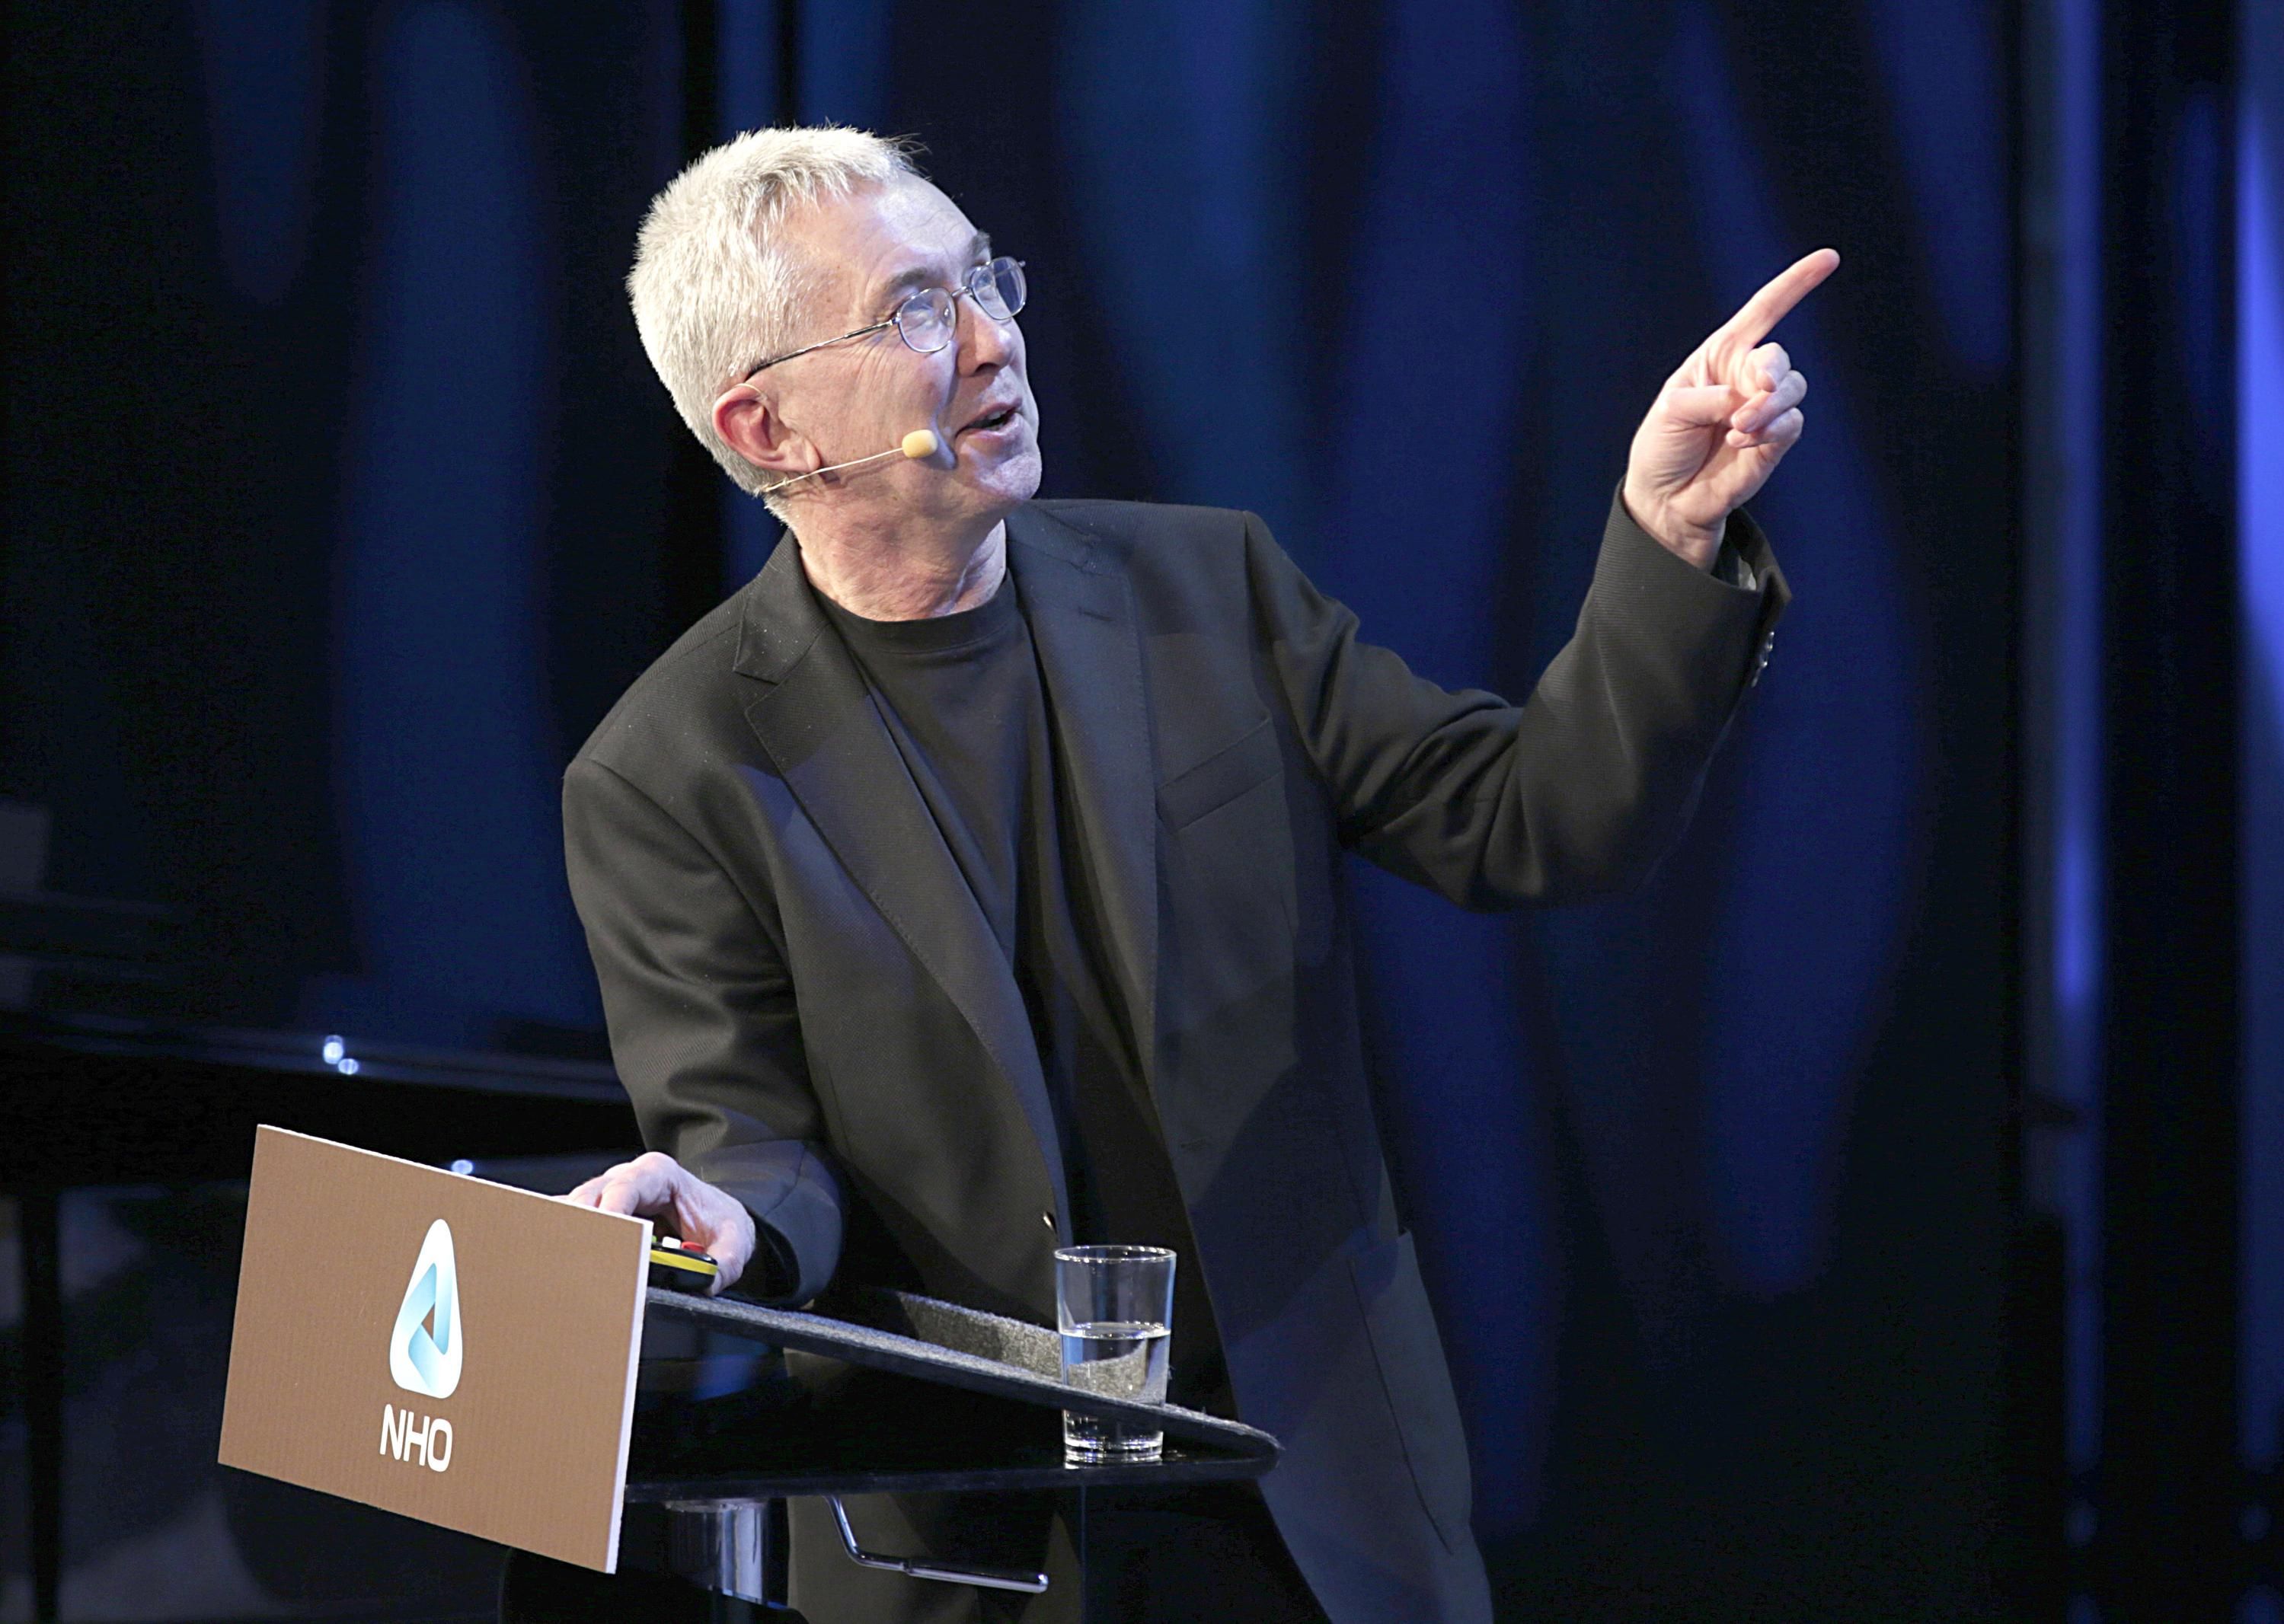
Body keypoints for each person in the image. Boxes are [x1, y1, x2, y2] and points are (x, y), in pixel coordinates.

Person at [560, 126, 1824, 1622]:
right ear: (766, 427)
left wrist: (1668, 534)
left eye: (984, 280)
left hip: (1307, 1488)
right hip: (969, 1537)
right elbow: (758, 1144)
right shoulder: (672, 769)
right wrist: (725, 1220)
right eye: (914, 311)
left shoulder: (1207, 588)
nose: (993, 339)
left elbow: (1535, 816)